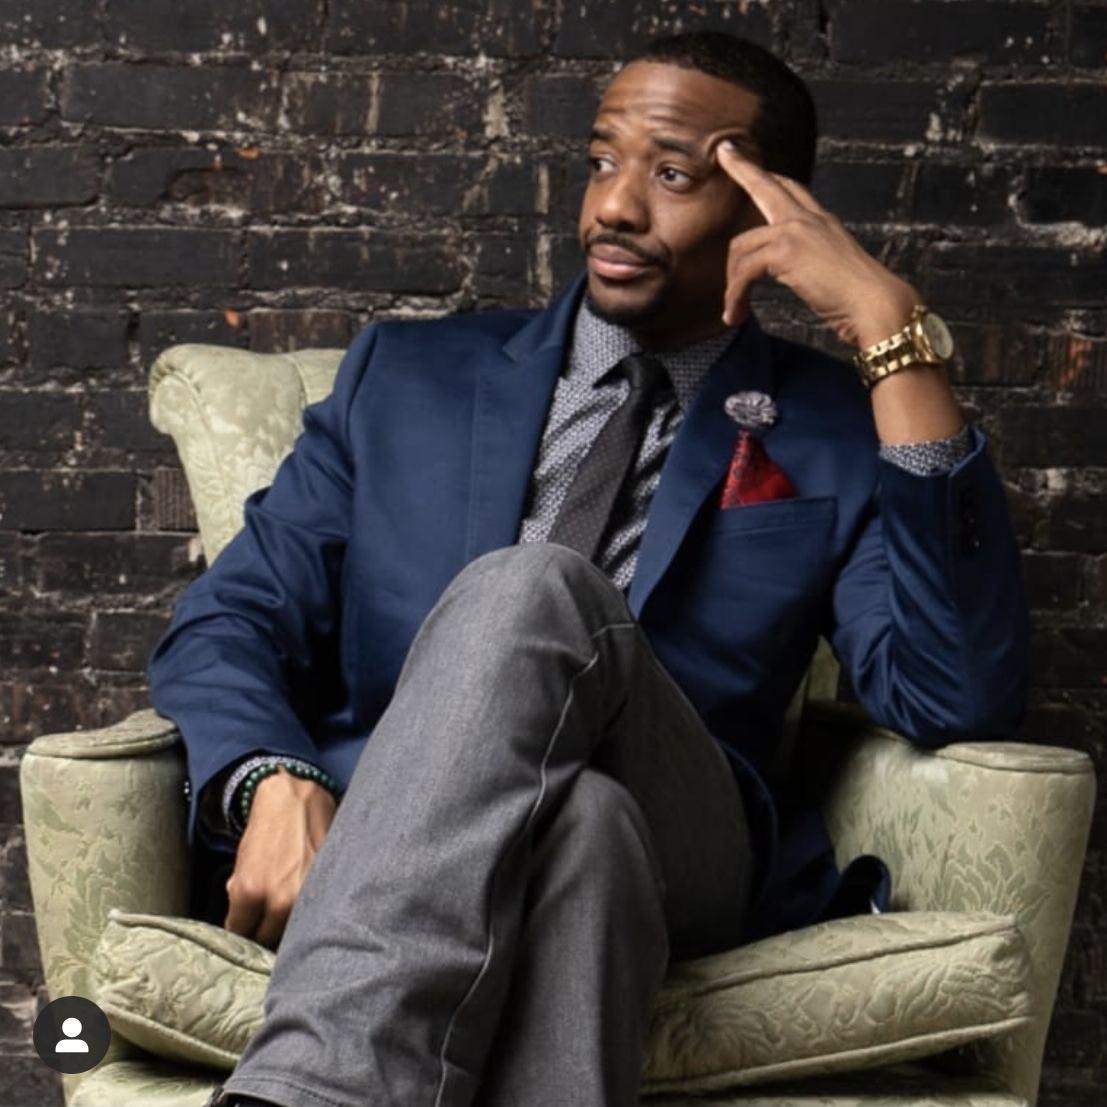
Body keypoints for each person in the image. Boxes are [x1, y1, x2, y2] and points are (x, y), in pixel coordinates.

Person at [148, 29, 1030, 1107]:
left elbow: (951, 692)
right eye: (603, 160)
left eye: (673, 176)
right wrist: (269, 778)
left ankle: (314, 1088)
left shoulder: (837, 427)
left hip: (688, 830)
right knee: (584, 833)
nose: (613, 206)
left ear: (771, 213)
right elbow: (228, 620)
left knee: (533, 587)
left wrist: (894, 338)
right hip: (413, 817)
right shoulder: (406, 377)